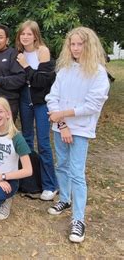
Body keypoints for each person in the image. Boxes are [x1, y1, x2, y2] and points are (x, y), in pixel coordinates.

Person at [46, 27, 109, 243]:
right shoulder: (64, 71)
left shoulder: (98, 73)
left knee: (76, 173)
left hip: (81, 131)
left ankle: (78, 220)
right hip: (61, 127)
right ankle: (65, 198)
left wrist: (63, 115)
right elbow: (52, 97)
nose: (75, 48)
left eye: (80, 44)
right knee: (61, 165)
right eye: (72, 44)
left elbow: (92, 105)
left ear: (89, 45)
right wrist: (62, 123)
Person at [15, 20, 58, 201]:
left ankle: (50, 184)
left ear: (35, 35)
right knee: (26, 140)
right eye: (22, 34)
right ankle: (30, 181)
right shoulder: (18, 53)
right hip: (24, 99)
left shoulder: (43, 51)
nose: (25, 37)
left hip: (40, 101)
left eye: (29, 34)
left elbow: (41, 82)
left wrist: (25, 65)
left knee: (43, 143)